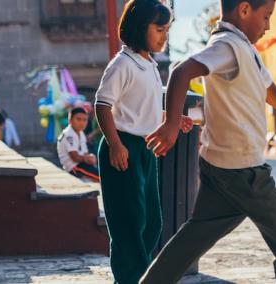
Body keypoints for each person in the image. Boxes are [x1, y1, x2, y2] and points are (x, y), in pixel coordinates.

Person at [141, 0, 276, 282]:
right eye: (267, 16)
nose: (269, 25)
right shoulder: (227, 46)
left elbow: (271, 92)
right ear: (244, 10)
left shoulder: (243, 47)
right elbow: (181, 71)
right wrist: (172, 123)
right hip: (243, 170)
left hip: (222, 167)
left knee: (191, 241)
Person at [91, 2, 189, 282]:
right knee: (129, 223)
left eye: (167, 30)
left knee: (152, 223)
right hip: (122, 147)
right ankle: (130, 278)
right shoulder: (122, 63)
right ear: (138, 26)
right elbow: (103, 104)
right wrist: (114, 144)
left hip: (144, 150)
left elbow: (140, 109)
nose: (164, 36)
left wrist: (172, 119)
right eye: (159, 29)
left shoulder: (149, 65)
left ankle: (138, 275)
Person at [57, 107, 99, 182]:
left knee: (102, 173)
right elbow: (75, 158)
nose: (82, 123)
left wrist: (90, 158)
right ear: (70, 120)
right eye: (78, 119)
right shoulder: (68, 134)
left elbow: (85, 153)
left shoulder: (81, 133)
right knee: (102, 178)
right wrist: (87, 158)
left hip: (82, 164)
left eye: (84, 120)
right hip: (73, 168)